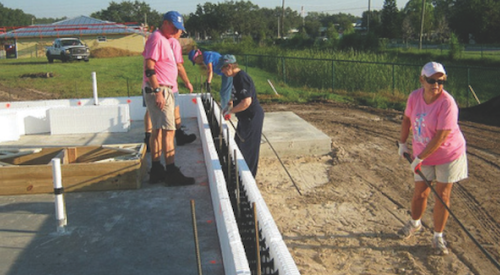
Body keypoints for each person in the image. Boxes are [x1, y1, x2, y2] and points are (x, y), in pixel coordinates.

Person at [397, 61, 468, 255]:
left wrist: (419, 157)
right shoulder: (414, 97)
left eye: (440, 81)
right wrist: (402, 143)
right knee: (420, 192)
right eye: (431, 80)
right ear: (422, 80)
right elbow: (406, 120)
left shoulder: (447, 103)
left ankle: (438, 236)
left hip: (448, 154)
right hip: (423, 153)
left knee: (442, 196)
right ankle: (415, 223)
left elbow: (442, 135)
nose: (436, 85)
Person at [142, 11, 194, 186]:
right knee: (168, 131)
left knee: (157, 130)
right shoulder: (157, 39)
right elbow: (150, 67)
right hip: (161, 89)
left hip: (162, 88)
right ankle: (171, 172)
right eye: (174, 27)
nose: (175, 31)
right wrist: (157, 91)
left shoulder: (163, 39)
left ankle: (157, 170)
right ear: (165, 23)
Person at [143, 30, 196, 151]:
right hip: (164, 86)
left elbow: (148, 64)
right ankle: (176, 138)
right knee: (168, 125)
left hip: (149, 83)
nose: (179, 34)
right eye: (180, 32)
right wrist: (187, 82)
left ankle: (148, 139)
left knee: (151, 113)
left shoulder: (154, 40)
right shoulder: (172, 42)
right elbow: (178, 65)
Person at [217, 54, 264, 177]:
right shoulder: (235, 77)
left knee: (248, 149)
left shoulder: (242, 78)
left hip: (251, 117)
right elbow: (238, 96)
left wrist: (230, 112)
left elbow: (246, 102)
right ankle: (238, 172)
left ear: (230, 66)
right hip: (244, 118)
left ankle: (248, 177)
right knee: (239, 145)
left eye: (222, 69)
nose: (222, 72)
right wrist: (230, 104)